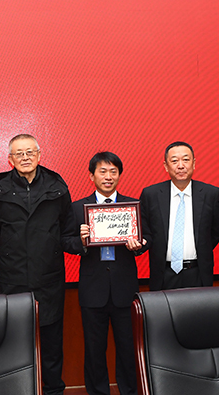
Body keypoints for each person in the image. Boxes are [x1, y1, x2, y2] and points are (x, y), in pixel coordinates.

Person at [0, 134, 84, 395]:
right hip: (11, 279)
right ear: (10, 159)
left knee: (52, 346)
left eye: (30, 152)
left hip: (48, 279)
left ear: (39, 155)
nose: (25, 158)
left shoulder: (56, 185)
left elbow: (66, 231)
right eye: (19, 154)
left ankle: (53, 391)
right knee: (13, 344)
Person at [73, 152, 142, 395]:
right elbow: (64, 241)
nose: (108, 177)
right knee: (94, 350)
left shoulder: (132, 206)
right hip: (93, 290)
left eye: (113, 171)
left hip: (125, 289)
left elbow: (148, 237)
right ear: (91, 176)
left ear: (120, 175)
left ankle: (130, 391)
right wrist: (81, 241)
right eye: (102, 171)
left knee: (128, 349)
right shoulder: (78, 208)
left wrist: (139, 245)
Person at [139, 141, 219, 291]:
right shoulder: (151, 195)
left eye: (185, 160)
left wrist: (201, 247)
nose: (180, 165)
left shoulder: (211, 194)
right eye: (174, 161)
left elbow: (217, 230)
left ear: (194, 163)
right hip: (163, 274)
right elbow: (146, 231)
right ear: (166, 166)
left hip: (198, 273)